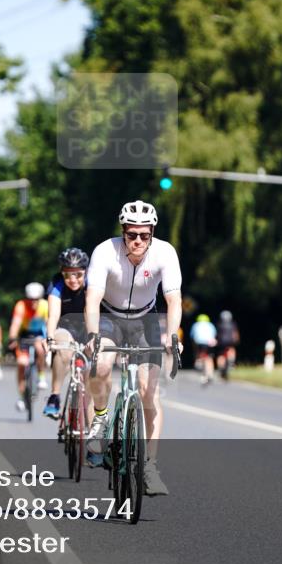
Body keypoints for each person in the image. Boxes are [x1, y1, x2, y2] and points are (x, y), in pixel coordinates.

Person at [84, 200, 183, 496]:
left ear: (152, 232)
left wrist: (173, 335)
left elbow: (174, 300)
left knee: (148, 391)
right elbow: (91, 298)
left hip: (146, 320)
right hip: (109, 317)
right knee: (101, 365)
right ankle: (100, 418)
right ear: (123, 232)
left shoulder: (165, 253)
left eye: (144, 235)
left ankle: (150, 466)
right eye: (131, 235)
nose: (138, 241)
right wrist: (92, 334)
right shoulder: (105, 251)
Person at [43, 247, 90, 419]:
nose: (73, 279)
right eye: (68, 274)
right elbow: (53, 314)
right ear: (61, 273)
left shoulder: (92, 283)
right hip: (66, 327)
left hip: (88, 325)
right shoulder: (57, 284)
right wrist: (49, 337)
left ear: (85, 272)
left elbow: (90, 311)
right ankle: (54, 396)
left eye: (78, 274)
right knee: (62, 349)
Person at [9, 282, 49, 412]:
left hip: (39, 335)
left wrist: (50, 338)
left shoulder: (45, 305)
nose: (33, 303)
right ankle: (22, 396)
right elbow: (15, 323)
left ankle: (41, 376)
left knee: (39, 348)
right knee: (21, 363)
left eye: (36, 300)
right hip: (25, 335)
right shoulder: (21, 305)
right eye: (31, 299)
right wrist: (12, 338)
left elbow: (49, 323)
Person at [189, 314, 217, 385]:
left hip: (199, 343)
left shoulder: (195, 325)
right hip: (209, 343)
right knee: (209, 358)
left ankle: (199, 363)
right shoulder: (210, 325)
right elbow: (214, 334)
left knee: (200, 355)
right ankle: (210, 374)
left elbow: (192, 335)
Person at [214, 310, 240, 379]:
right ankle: (231, 362)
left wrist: (216, 340)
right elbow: (235, 333)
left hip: (221, 342)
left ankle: (220, 367)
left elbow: (217, 334)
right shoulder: (233, 324)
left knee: (221, 355)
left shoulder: (219, 324)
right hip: (230, 341)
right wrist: (236, 340)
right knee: (232, 349)